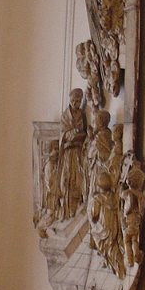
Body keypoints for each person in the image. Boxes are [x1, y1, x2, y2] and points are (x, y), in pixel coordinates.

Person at [57, 88, 87, 220]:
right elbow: (62, 134)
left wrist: (79, 135)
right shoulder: (65, 115)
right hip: (68, 152)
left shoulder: (81, 114)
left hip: (78, 151)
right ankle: (67, 210)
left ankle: (77, 206)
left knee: (77, 179)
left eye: (78, 101)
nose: (75, 103)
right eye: (73, 100)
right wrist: (70, 134)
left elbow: (84, 132)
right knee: (67, 179)